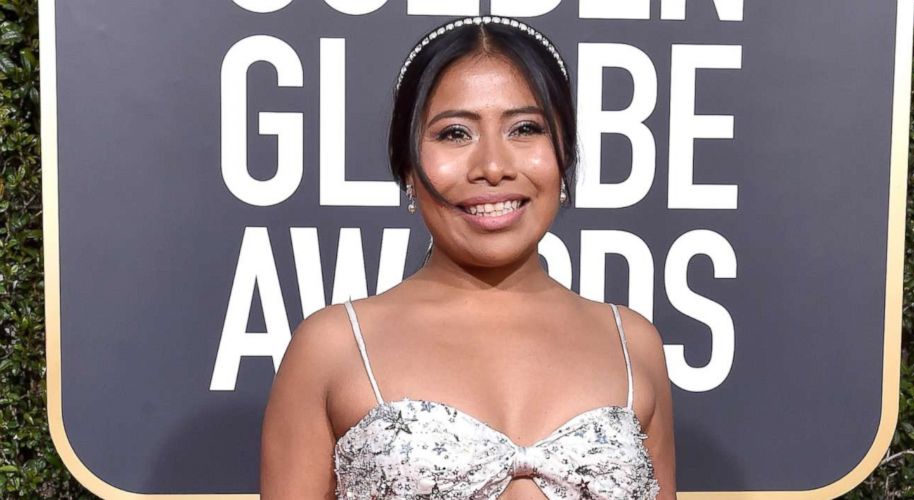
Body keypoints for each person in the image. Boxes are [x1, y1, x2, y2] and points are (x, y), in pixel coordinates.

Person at [260, 15, 676, 499]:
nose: (493, 167)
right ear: (407, 167)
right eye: (456, 133)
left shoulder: (633, 345)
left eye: (525, 128)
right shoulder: (332, 347)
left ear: (565, 153)